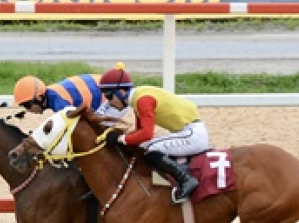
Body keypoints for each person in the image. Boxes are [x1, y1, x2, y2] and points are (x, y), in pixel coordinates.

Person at [98, 62, 208, 203]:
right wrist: (119, 137)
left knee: (151, 148)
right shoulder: (138, 98)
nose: (109, 103)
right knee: (145, 146)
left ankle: (186, 180)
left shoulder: (143, 100)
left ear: (122, 92)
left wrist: (120, 139)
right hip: (188, 131)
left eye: (108, 97)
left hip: (193, 135)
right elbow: (139, 133)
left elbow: (146, 134)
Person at [13, 74, 117, 115]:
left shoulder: (59, 103)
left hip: (113, 96)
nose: (27, 110)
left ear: (39, 98)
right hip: (106, 89)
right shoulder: (52, 95)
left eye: (27, 105)